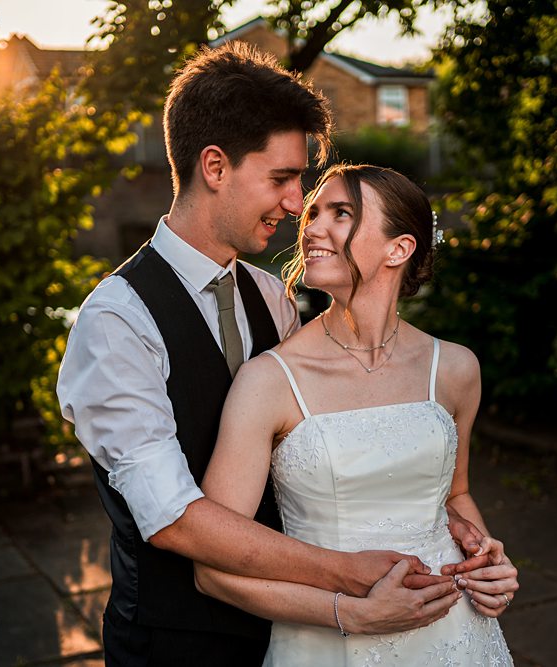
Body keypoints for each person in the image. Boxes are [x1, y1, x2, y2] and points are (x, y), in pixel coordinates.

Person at [57, 43, 491, 667]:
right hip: (179, 641)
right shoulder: (116, 321)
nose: (296, 206)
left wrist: (448, 522)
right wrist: (345, 576)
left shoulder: (272, 297)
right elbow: (173, 518)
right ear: (215, 166)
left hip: (289, 627)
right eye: (282, 179)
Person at [194, 164, 518, 666]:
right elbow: (212, 571)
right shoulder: (268, 381)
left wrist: (489, 568)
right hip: (328, 643)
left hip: (456, 631)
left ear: (399, 249)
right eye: (314, 213)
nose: (311, 227)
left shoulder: (455, 369)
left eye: (341, 214)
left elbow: (454, 495)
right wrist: (349, 614)